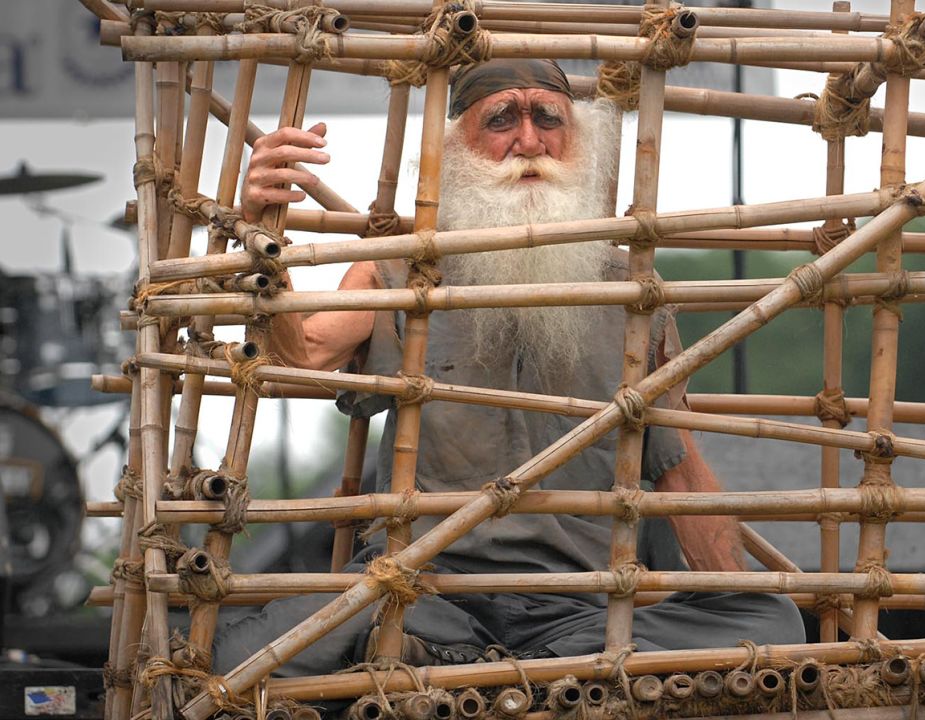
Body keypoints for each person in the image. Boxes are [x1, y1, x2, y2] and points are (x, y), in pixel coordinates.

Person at [213, 59, 804, 676]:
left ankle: (487, 663)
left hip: (581, 605)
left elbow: (678, 468)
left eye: (548, 118)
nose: (528, 141)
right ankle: (510, 662)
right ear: (455, 147)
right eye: (501, 120)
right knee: (240, 657)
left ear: (579, 142)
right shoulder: (401, 271)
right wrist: (259, 231)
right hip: (424, 593)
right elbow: (297, 356)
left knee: (770, 623)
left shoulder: (631, 292)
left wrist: (738, 597)